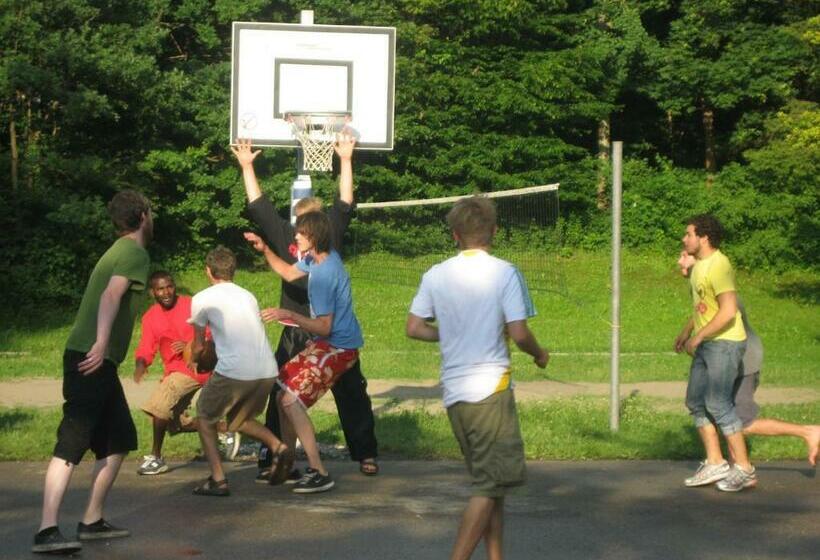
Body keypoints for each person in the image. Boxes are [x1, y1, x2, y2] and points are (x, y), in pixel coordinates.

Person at [405, 197, 549, 560]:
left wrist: (450, 333)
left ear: (455, 235)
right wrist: (539, 353)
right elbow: (518, 332)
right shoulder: (505, 272)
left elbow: (415, 327)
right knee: (487, 485)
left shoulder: (436, 274)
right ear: (495, 231)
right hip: (491, 390)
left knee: (493, 484)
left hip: (456, 394)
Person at [231, 136, 379, 480]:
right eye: (299, 223)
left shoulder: (328, 244)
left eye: (307, 224)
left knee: (350, 392)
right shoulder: (287, 235)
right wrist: (247, 166)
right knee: (280, 389)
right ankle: (276, 455)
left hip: (329, 333)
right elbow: (259, 204)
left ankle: (364, 451)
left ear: (317, 227)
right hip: (297, 330)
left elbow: (344, 203)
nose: (300, 230)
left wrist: (345, 159)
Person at [33, 190, 152, 554]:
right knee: (73, 440)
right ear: (144, 215)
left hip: (97, 359)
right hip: (91, 357)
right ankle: (47, 530)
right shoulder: (134, 252)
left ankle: (91, 520)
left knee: (118, 440)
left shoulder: (117, 251)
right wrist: (101, 343)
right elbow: (111, 296)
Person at [250, 211, 363, 494]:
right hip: (328, 343)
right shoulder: (318, 258)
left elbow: (324, 327)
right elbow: (289, 272)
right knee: (281, 391)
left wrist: (289, 314)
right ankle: (289, 462)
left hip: (339, 347)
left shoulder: (324, 274)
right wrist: (265, 249)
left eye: (301, 233)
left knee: (289, 401)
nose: (296, 236)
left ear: (314, 237)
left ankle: (319, 472)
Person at [677, 252, 820, 467]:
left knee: (740, 421)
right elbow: (702, 312)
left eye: (684, 256)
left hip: (744, 360)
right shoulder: (701, 285)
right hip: (730, 359)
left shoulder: (717, 283)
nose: (679, 261)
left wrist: (697, 338)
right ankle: (735, 468)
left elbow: (725, 313)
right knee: (719, 412)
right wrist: (685, 332)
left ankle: (808, 432)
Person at [188, 246, 288, 496]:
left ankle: (218, 479)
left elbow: (199, 346)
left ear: (208, 271)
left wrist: (195, 360)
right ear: (233, 270)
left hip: (235, 369)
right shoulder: (248, 295)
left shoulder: (201, 298)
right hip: (266, 368)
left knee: (204, 417)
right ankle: (279, 447)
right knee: (238, 421)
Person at [674, 214, 755, 492]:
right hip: (709, 342)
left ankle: (743, 468)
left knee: (719, 404)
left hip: (725, 343)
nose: (685, 239)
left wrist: (698, 337)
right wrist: (687, 331)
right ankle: (715, 462)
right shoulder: (699, 266)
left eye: (689, 234)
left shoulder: (719, 266)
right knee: (696, 402)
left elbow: (729, 311)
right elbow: (704, 307)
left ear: (703, 237)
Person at [132, 271, 241, 476]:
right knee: (173, 423)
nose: (166, 292)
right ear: (152, 292)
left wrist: (190, 345)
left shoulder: (192, 305)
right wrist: (141, 364)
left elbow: (211, 333)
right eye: (160, 289)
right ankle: (223, 428)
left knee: (159, 405)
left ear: (174, 286)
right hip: (175, 370)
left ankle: (156, 458)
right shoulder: (150, 317)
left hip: (195, 367)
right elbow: (146, 347)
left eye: (169, 286)